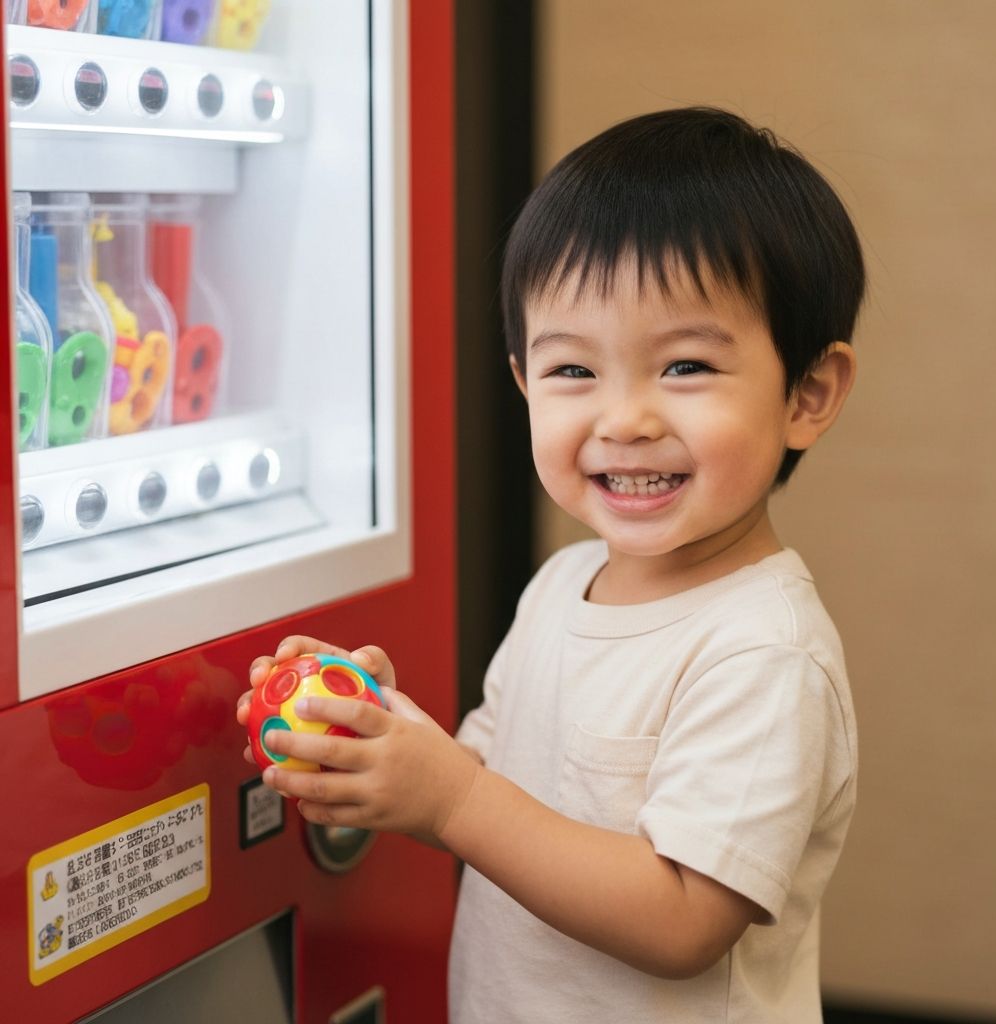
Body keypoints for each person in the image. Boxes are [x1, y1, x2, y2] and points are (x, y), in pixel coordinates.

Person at [238, 107, 864, 1022]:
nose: (625, 419)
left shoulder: (764, 652)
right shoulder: (562, 587)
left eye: (685, 367)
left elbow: (682, 918)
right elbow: (493, 784)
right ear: (525, 381)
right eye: (575, 371)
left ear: (807, 395)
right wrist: (375, 753)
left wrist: (449, 798)